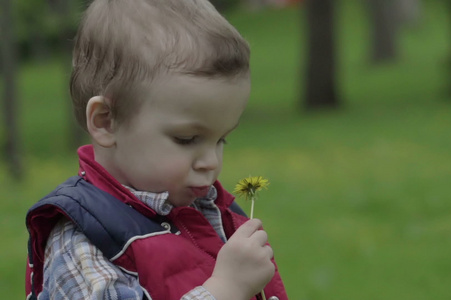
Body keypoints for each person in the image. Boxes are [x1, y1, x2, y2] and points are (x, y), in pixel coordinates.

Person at [24, 0, 288, 299]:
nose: (211, 163)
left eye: (221, 140)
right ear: (106, 121)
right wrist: (225, 289)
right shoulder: (83, 240)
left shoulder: (206, 211)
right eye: (187, 139)